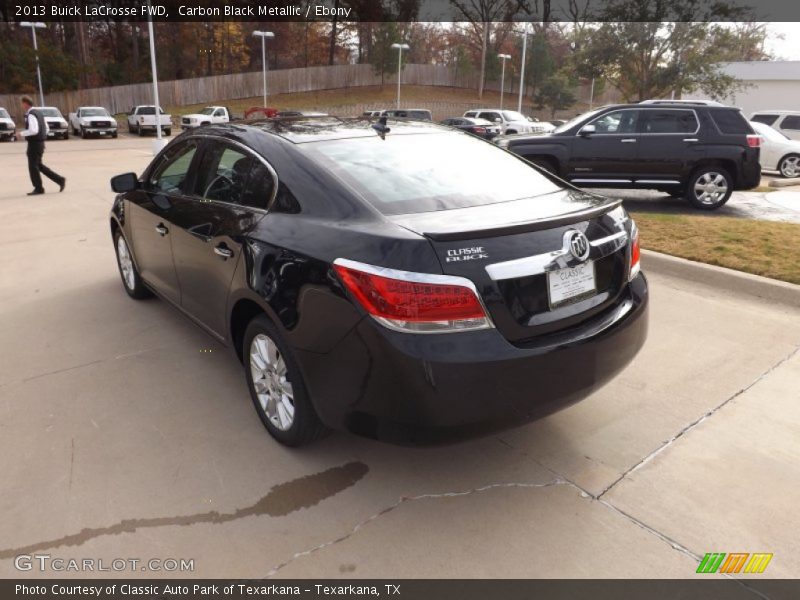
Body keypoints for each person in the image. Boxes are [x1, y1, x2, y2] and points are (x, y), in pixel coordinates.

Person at [20, 96, 66, 196]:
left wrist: (21, 134)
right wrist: (42, 137)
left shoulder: (31, 115)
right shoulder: (39, 113)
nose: (21, 105)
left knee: (33, 166)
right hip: (40, 143)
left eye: (22, 103)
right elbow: (47, 128)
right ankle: (60, 180)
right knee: (38, 166)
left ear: (25, 103)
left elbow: (34, 130)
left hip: (34, 144)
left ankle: (39, 188)